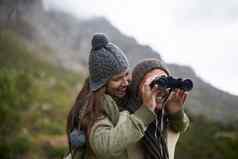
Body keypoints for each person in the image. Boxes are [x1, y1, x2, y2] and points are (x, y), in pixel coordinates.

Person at [66, 33, 160, 159]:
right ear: (102, 84)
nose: (125, 82)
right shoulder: (95, 109)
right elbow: (105, 147)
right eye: (117, 79)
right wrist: (144, 114)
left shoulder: (125, 96)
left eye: (126, 74)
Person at [119, 59, 190, 159]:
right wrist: (146, 109)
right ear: (137, 88)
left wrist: (176, 112)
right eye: (154, 83)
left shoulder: (166, 121)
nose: (162, 90)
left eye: (166, 83)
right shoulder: (123, 120)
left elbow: (181, 125)